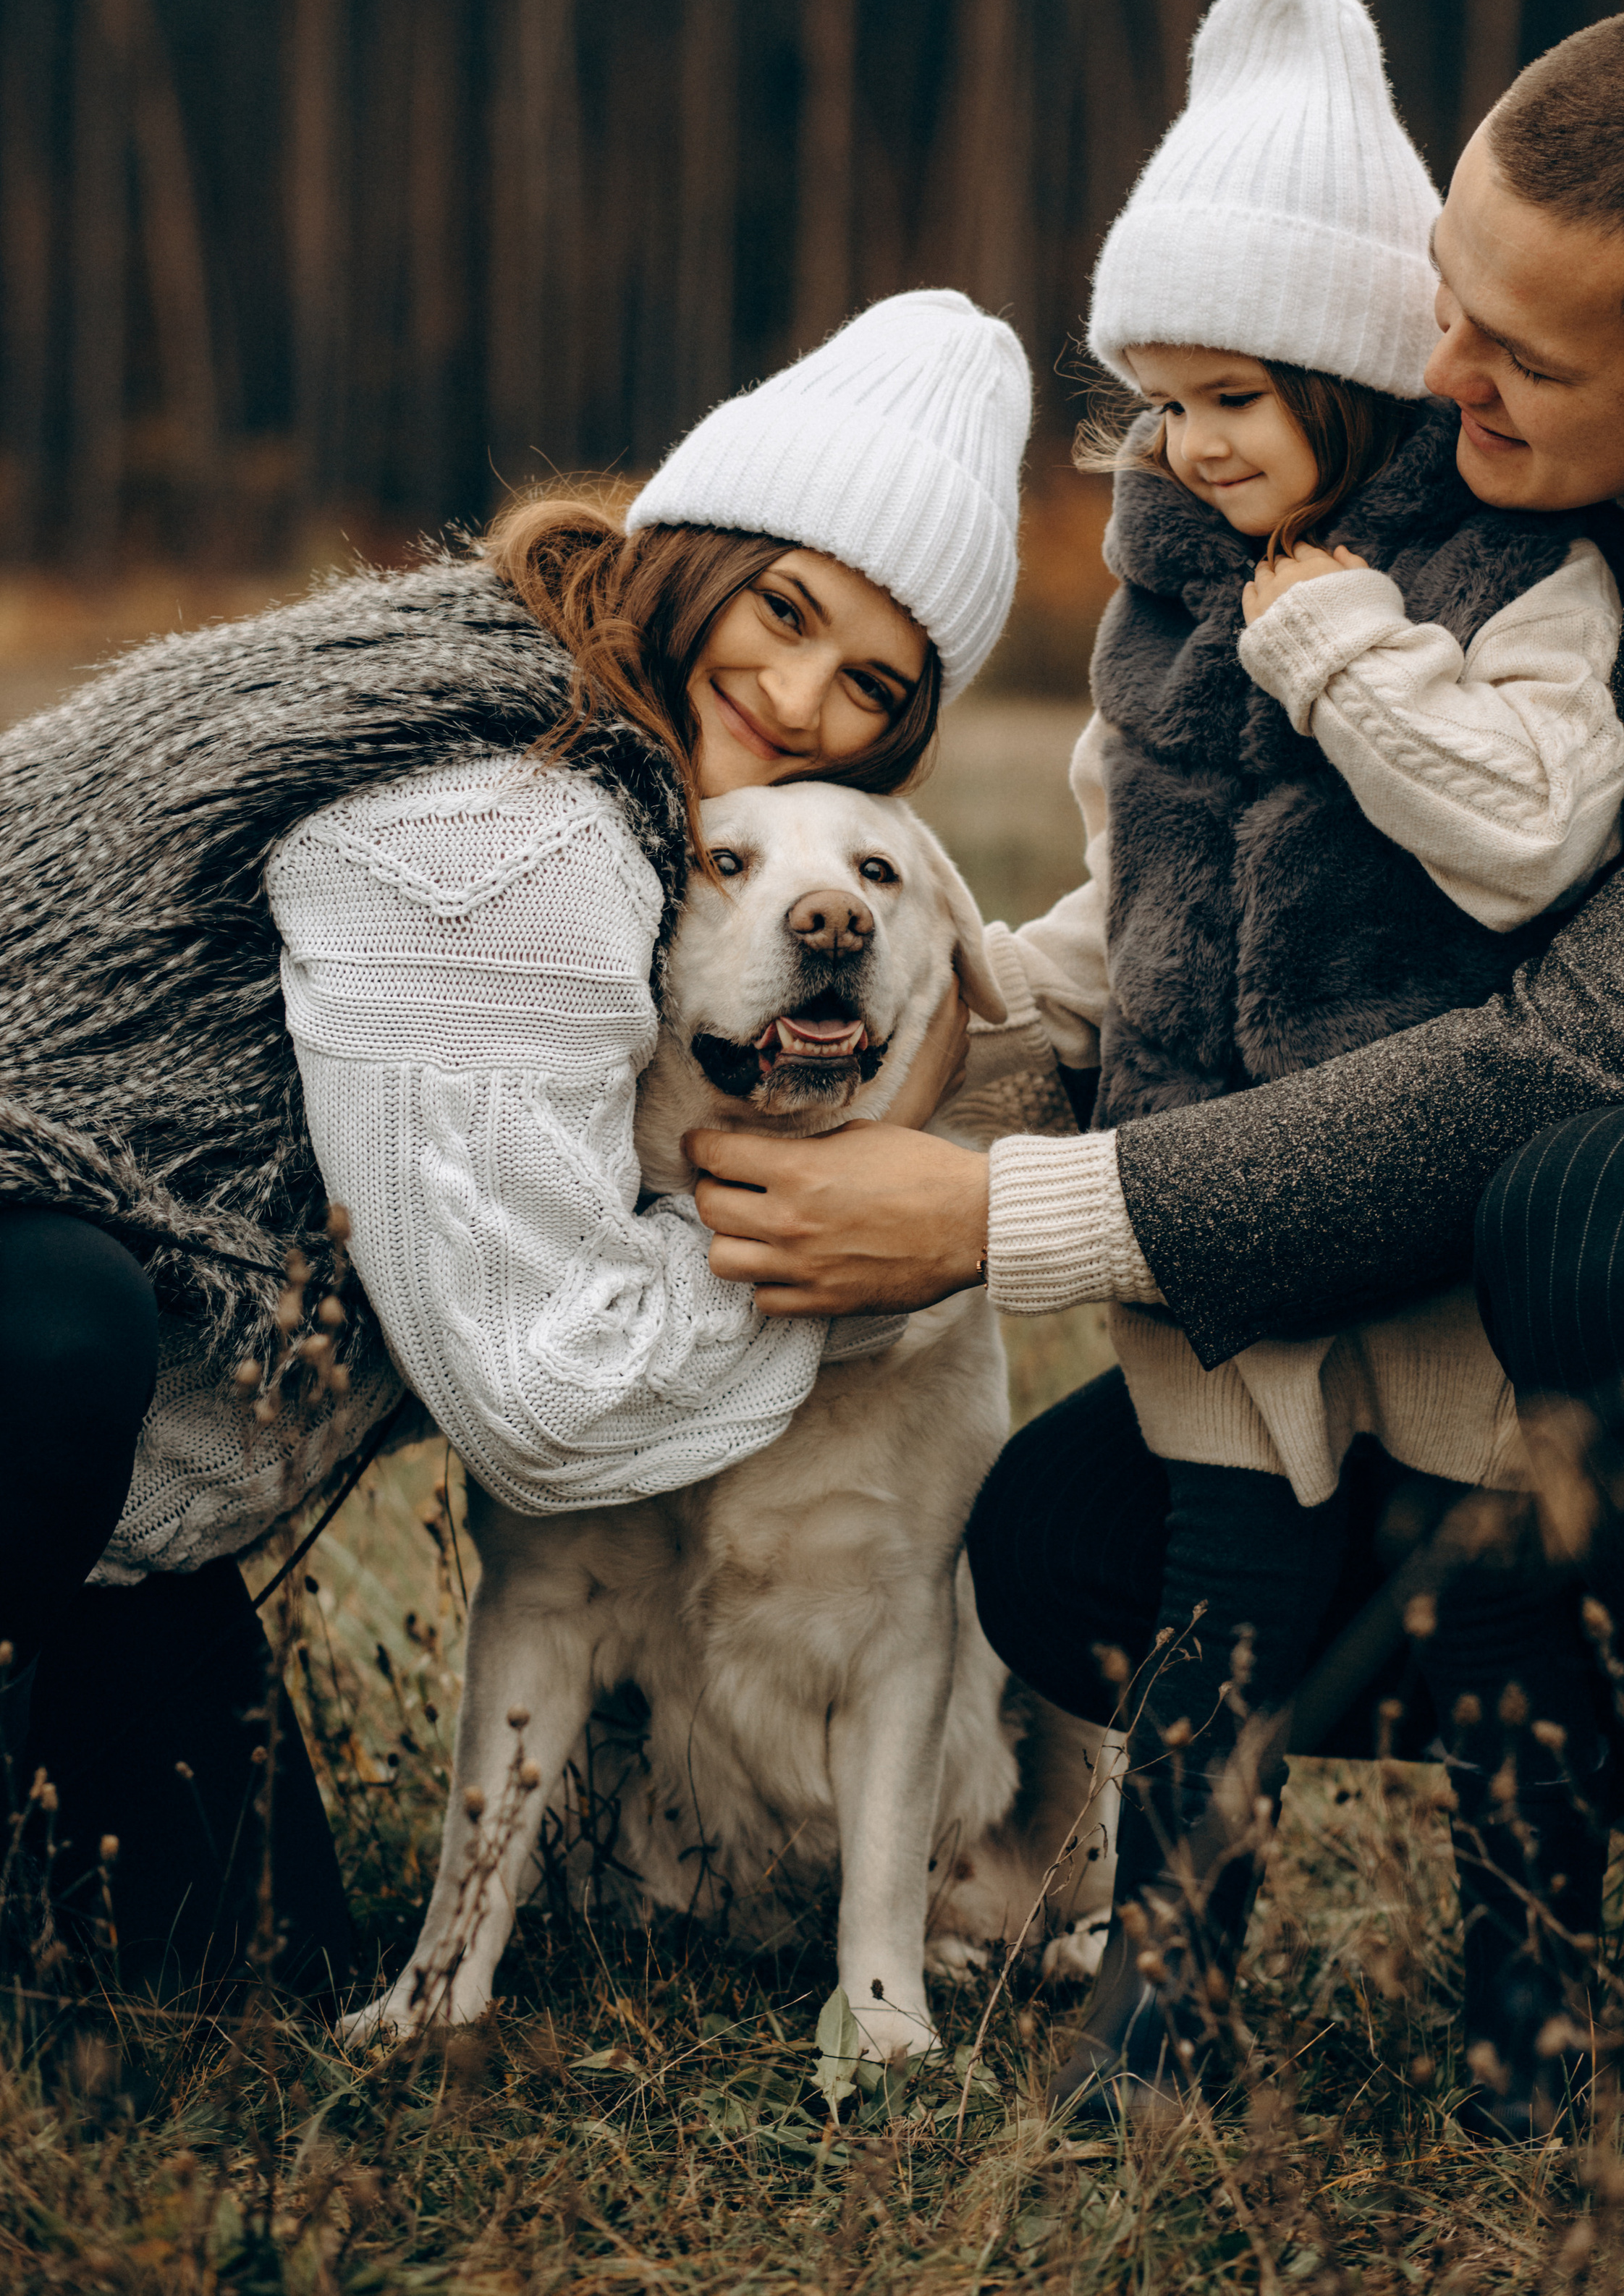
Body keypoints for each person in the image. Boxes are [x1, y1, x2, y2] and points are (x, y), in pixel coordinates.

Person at [688, 6, 1624, 2132]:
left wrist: (999, 1216)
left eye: (1510, 356)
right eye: (1442, 313)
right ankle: (1181, 1985)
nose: (1446, 373)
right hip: (1314, 1226)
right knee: (1066, 1549)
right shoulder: (1240, 596)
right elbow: (1145, 899)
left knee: (1615, 1216)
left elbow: (1561, 1051)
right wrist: (961, 1044)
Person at [0, 286, 1028, 2004]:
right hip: (33, 1336)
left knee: (232, 1974)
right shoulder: (511, 821)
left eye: (869, 684)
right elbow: (544, 1390)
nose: (796, 697)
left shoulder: (545, 699)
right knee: (51, 1327)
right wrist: (860, 1221)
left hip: (97, 1482)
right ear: (692, 551)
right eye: (779, 609)